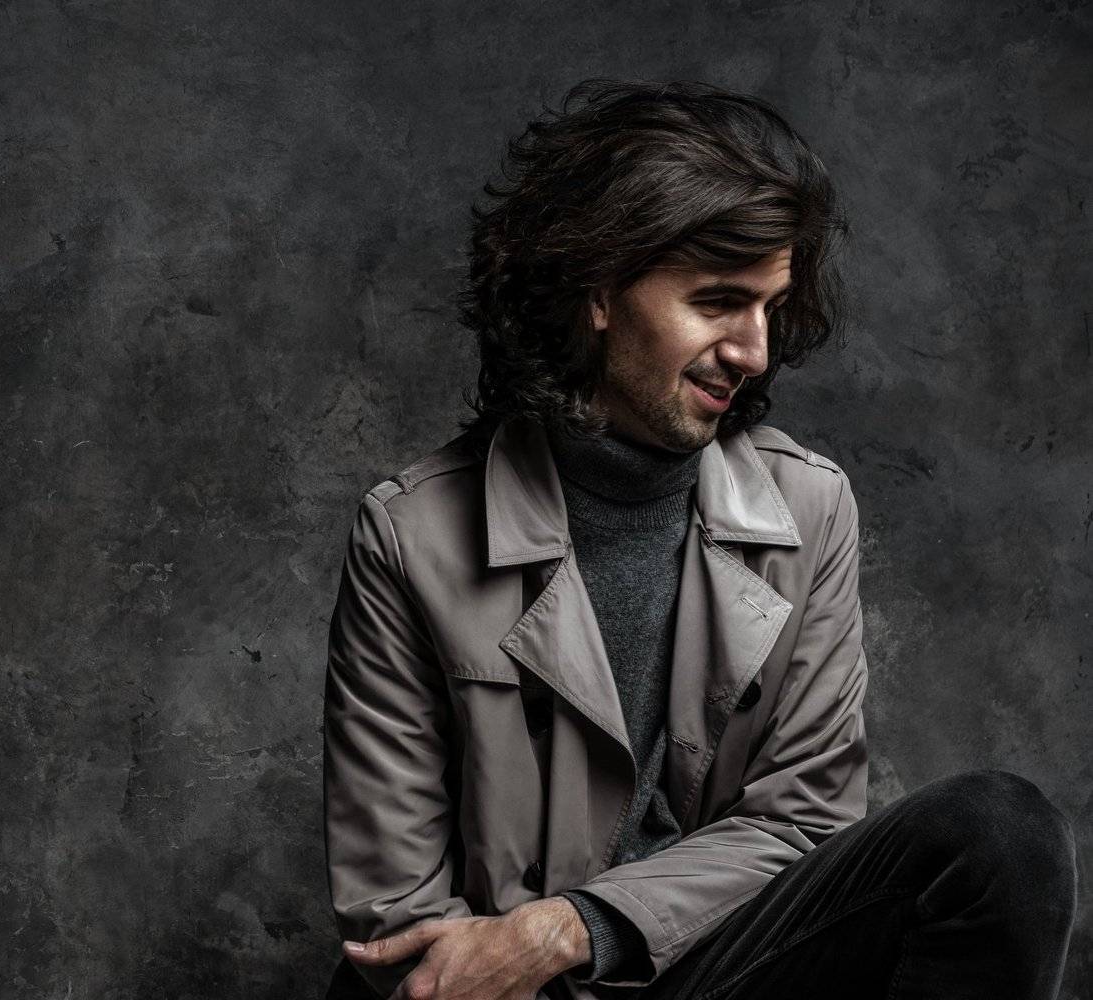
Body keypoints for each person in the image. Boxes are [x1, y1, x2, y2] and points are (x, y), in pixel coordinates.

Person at [319, 79, 1077, 1000]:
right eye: (719, 301)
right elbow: (398, 921)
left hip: (710, 970)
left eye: (771, 307)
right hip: (497, 995)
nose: (754, 351)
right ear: (598, 292)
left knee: (998, 837)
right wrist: (523, 958)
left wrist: (573, 928)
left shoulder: (809, 508)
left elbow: (802, 822)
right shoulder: (411, 536)